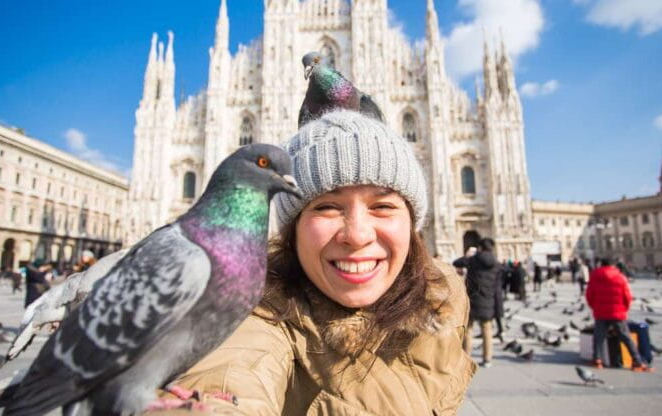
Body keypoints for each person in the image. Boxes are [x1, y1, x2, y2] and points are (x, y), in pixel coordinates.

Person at [148, 110, 475, 414]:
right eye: (327, 207)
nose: (357, 235)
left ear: (412, 223)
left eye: (383, 206)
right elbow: (229, 374)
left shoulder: (441, 297)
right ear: (293, 230)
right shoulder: (253, 314)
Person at [586, 257, 652, 372]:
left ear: (601, 265)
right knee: (626, 337)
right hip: (618, 312)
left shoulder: (594, 276)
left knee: (598, 337)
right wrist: (623, 309)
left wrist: (595, 307)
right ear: (613, 265)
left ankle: (597, 360)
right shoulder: (620, 277)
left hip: (600, 312)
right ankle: (637, 361)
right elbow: (627, 296)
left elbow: (589, 295)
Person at [454, 238, 499, 368]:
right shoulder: (496, 263)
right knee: (487, 330)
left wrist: (468, 255)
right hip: (488, 300)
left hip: (473, 300)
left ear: (480, 247)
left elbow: (456, 262)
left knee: (468, 330)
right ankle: (487, 359)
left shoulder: (473, 260)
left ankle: (466, 359)